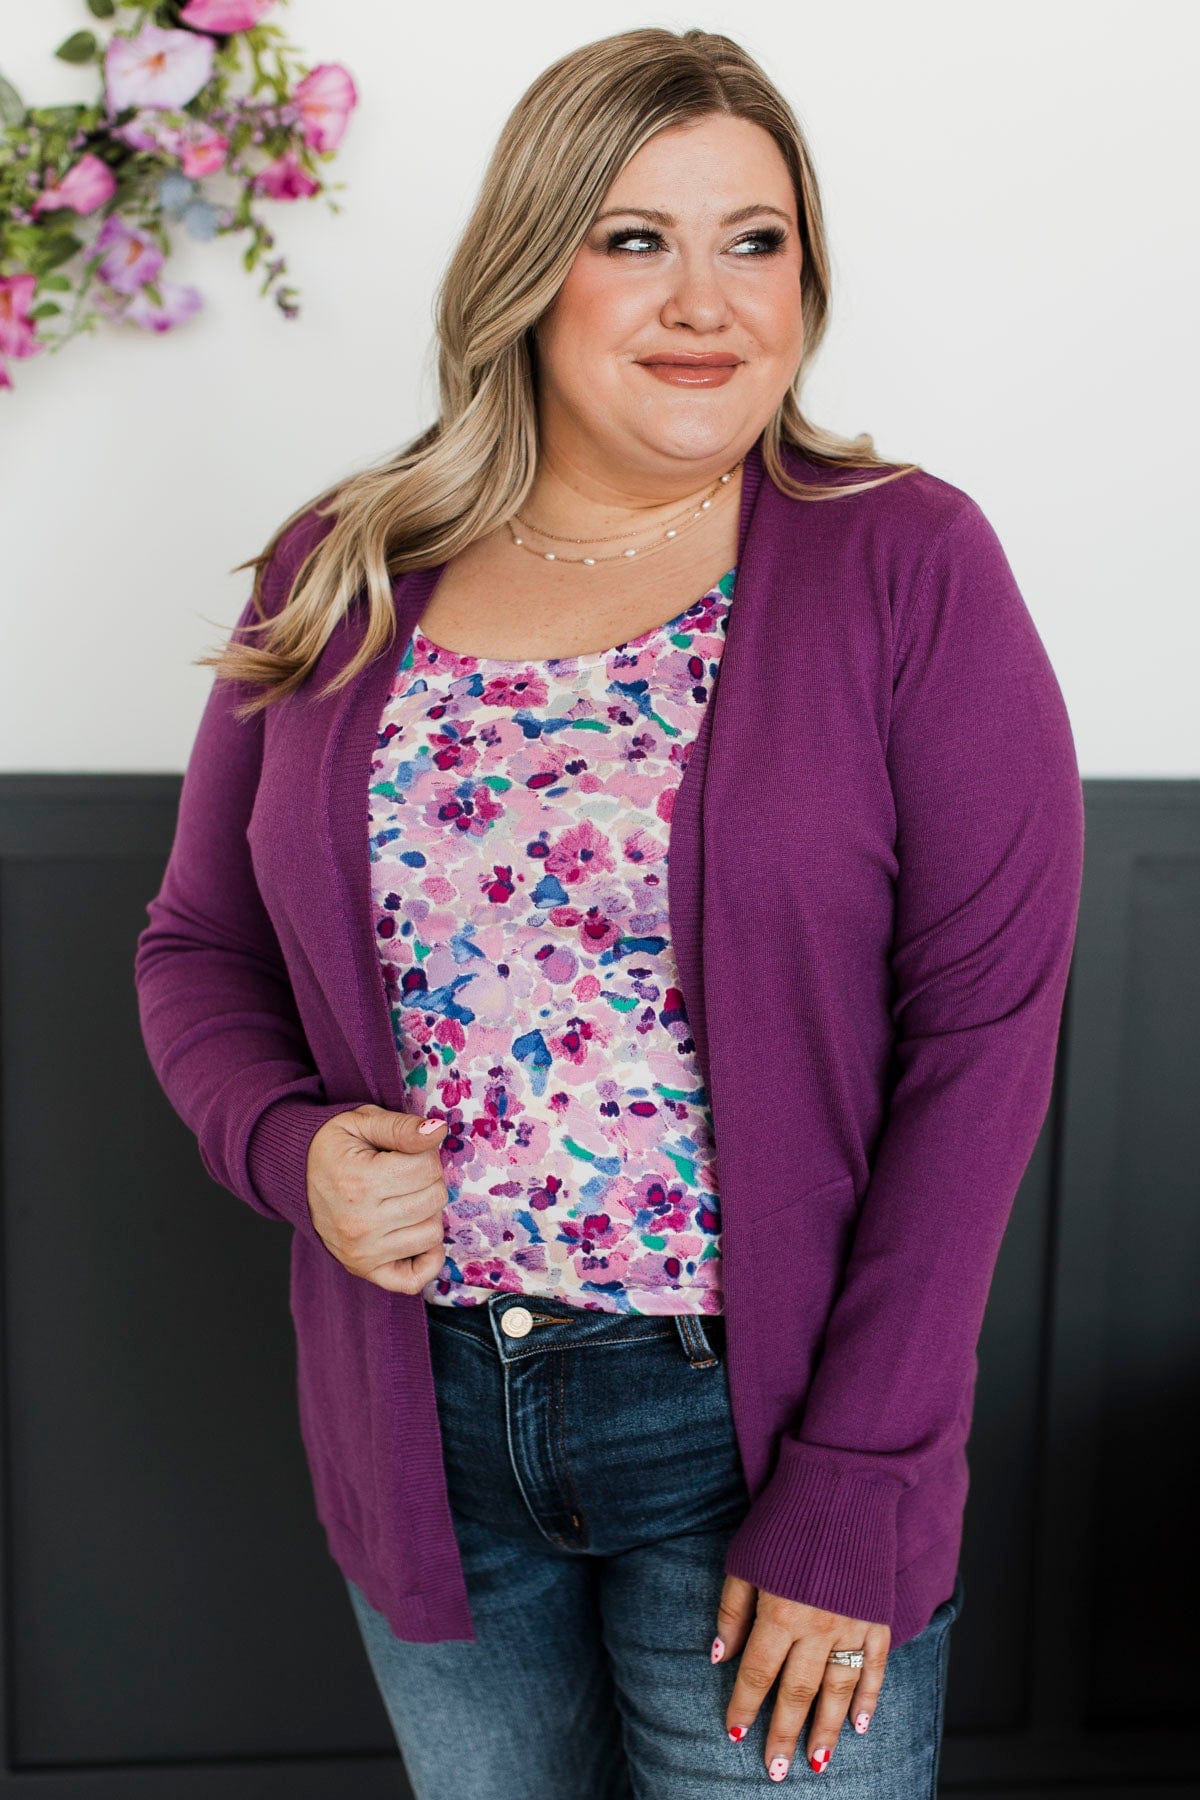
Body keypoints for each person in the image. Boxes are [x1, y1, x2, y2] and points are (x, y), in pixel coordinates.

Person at [133, 25, 1085, 1799]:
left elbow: (984, 1039)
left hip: (765, 1432)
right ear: (529, 266)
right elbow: (198, 948)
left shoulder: (906, 560)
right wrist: (289, 1147)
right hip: (423, 1428)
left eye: (756, 240)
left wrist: (861, 1477)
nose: (705, 300)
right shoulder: (344, 566)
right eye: (635, 238)